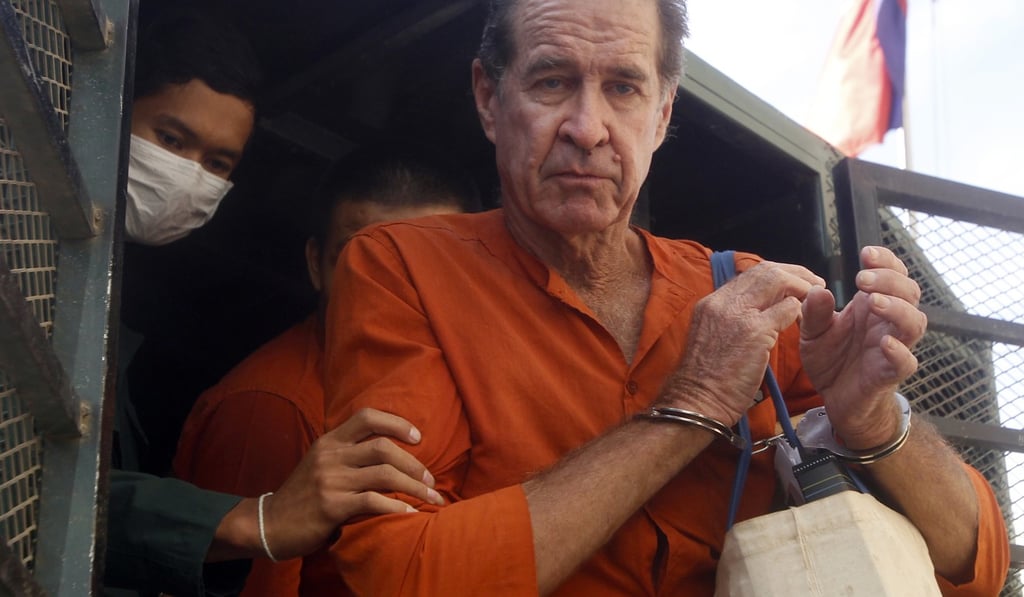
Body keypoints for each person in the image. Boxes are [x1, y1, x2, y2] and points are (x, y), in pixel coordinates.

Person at [321, 0, 1010, 595]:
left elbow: (978, 563)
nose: (587, 127)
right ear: (488, 99)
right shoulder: (403, 269)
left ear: (661, 114)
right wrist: (693, 406)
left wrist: (869, 417)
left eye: (623, 87)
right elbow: (399, 573)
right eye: (552, 81)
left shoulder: (744, 287)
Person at [104, 14, 442, 596]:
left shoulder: (106, 312)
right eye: (171, 140)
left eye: (216, 163)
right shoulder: (278, 404)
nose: (186, 176)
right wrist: (255, 519)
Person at [172, 147, 479, 596]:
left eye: (430, 266)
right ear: (316, 264)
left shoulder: (470, 376)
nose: (396, 293)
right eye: (364, 264)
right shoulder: (274, 406)